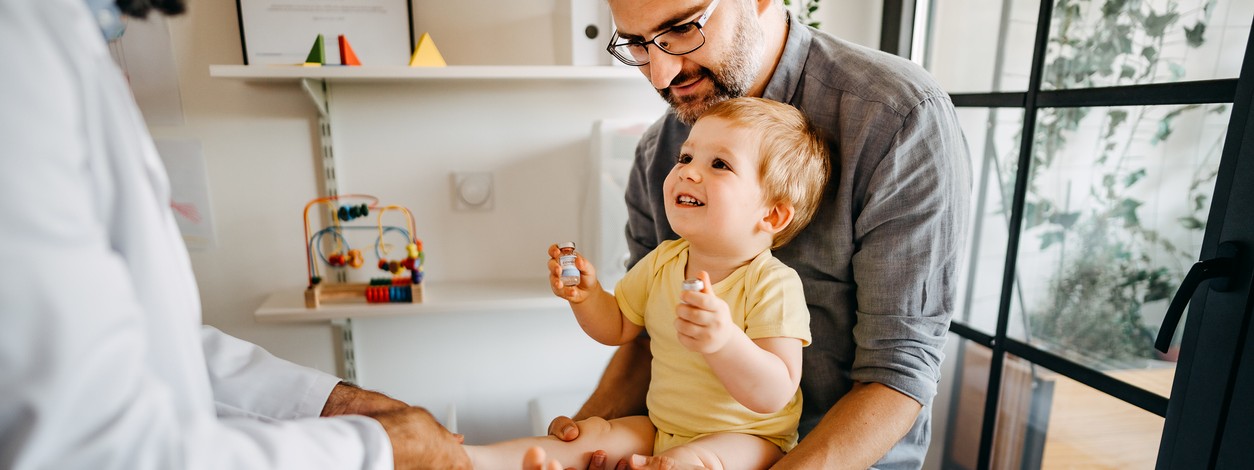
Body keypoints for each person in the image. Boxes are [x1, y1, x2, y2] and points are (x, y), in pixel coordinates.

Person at [0, 1, 470, 468]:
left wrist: (337, 404)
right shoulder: (20, 51)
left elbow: (157, 346)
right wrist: (378, 448)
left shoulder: (69, 42)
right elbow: (90, 447)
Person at [540, 0, 972, 469]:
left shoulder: (896, 117)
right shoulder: (658, 152)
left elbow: (896, 373)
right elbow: (641, 335)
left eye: (683, 29)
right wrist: (578, 442)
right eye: (638, 45)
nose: (662, 74)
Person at [469, 97, 829, 469]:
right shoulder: (663, 261)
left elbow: (774, 392)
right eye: (685, 158)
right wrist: (588, 297)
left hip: (748, 441)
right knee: (595, 436)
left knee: (691, 460)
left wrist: (723, 342)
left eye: (719, 164)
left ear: (772, 214)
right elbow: (619, 326)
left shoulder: (773, 284)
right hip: (663, 428)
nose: (688, 172)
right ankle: (472, 460)